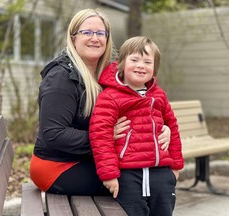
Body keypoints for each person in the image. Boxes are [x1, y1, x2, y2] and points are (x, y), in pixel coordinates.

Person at [30, 9, 171, 196]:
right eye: (86, 32)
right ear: (73, 38)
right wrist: (106, 136)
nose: (94, 38)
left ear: (107, 38)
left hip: (89, 157)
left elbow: (138, 107)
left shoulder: (110, 74)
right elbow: (54, 134)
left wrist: (163, 128)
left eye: (100, 33)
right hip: (57, 166)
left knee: (155, 176)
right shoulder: (60, 77)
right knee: (133, 182)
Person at [89, 36, 184, 216]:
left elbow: (172, 126)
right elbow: (100, 135)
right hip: (128, 174)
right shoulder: (110, 97)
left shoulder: (159, 96)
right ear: (122, 64)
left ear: (154, 69)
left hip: (161, 174)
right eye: (134, 60)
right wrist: (109, 174)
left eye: (147, 62)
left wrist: (176, 166)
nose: (141, 65)